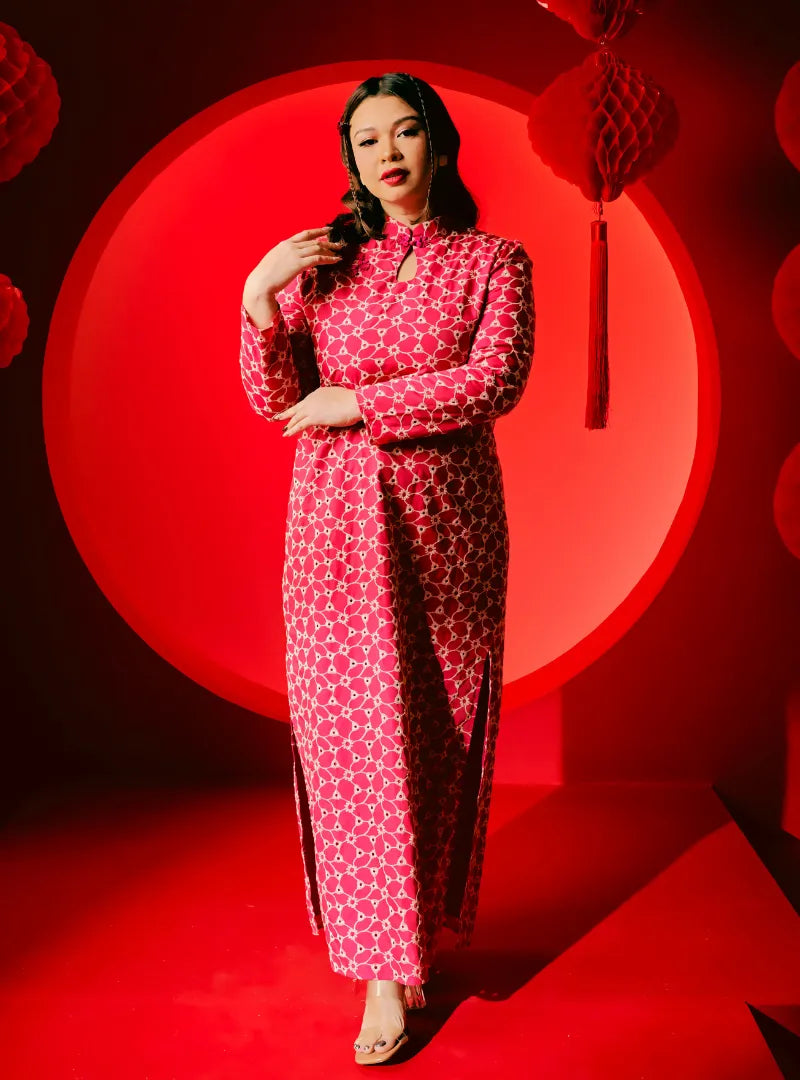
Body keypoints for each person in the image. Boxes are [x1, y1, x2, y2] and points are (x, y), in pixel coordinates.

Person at [240, 72, 535, 1065]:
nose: (388, 152)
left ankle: (415, 943)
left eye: (406, 132)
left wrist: (360, 405)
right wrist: (255, 298)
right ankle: (380, 973)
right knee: (353, 742)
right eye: (367, 142)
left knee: (438, 727)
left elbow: (494, 383)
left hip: (447, 526)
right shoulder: (325, 267)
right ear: (351, 163)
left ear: (440, 145)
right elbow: (272, 396)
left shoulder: (492, 260)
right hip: (330, 529)